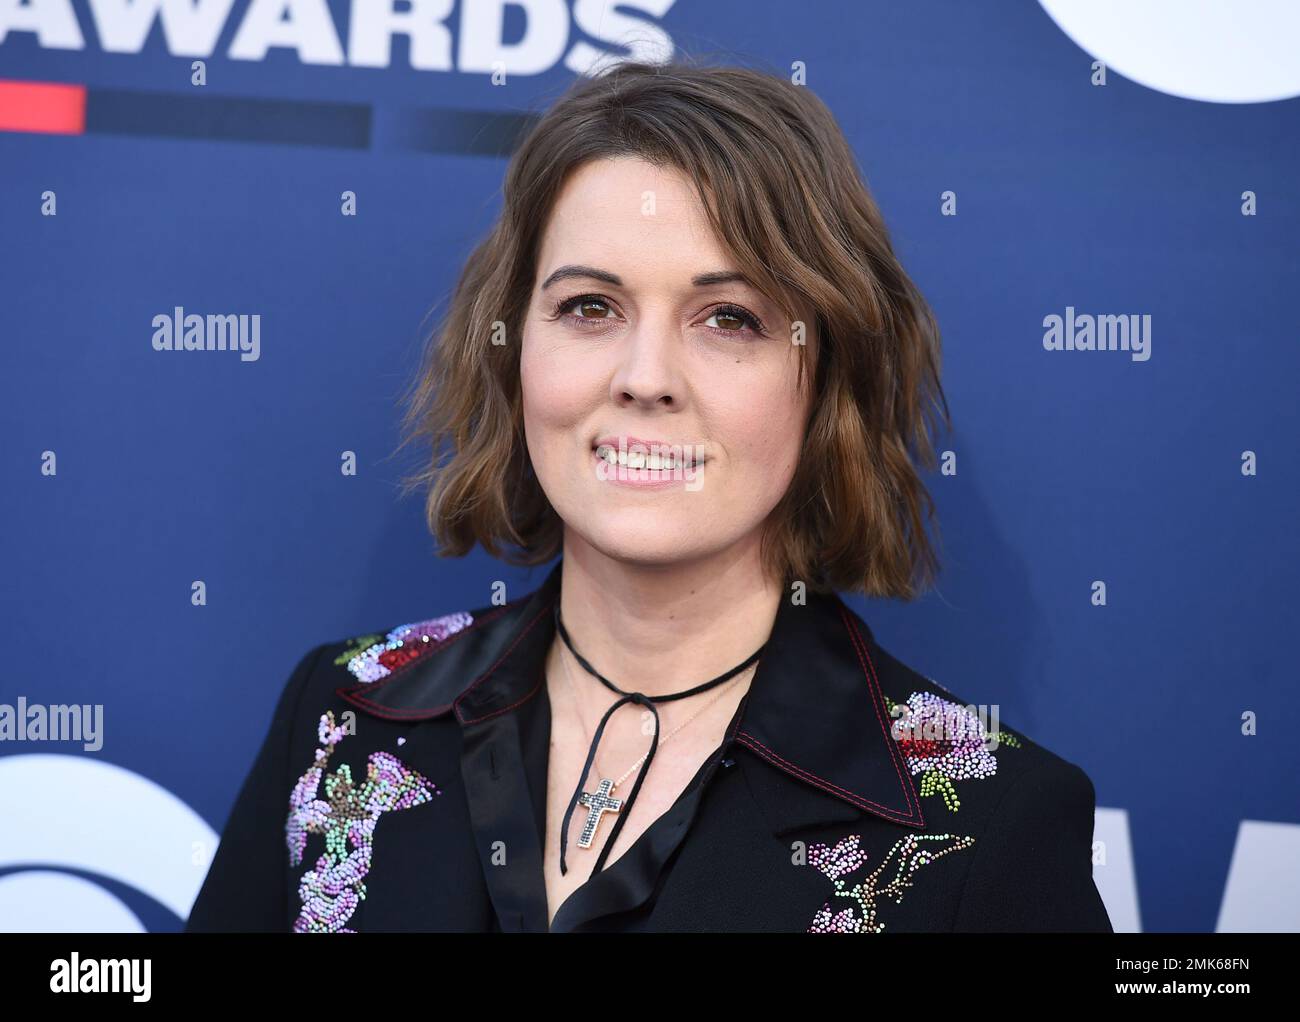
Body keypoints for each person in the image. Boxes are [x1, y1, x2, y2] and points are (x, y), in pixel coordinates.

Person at [185, 57, 1113, 933]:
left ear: (827, 378)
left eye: (729, 319)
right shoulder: (346, 714)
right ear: (514, 352)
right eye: (591, 307)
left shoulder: (987, 826)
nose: (646, 376)